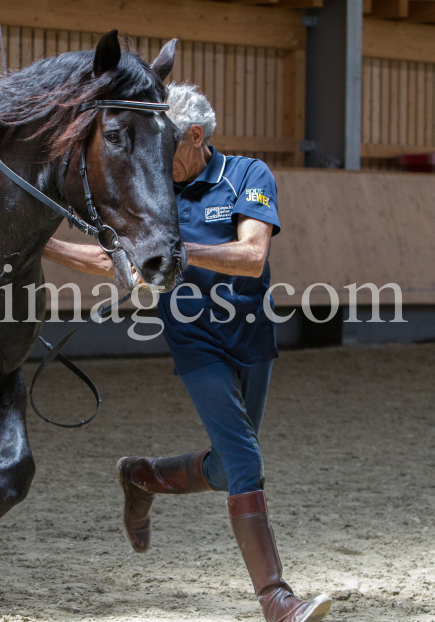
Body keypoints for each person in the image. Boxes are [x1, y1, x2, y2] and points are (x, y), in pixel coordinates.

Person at [43, 82, 331, 622]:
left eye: (165, 146)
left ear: (195, 136)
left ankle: (141, 476)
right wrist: (45, 245)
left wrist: (177, 250)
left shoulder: (248, 176)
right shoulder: (155, 193)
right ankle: (276, 599)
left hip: (251, 335)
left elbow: (250, 257)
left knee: (227, 466)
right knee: (246, 461)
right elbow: (118, 263)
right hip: (193, 338)